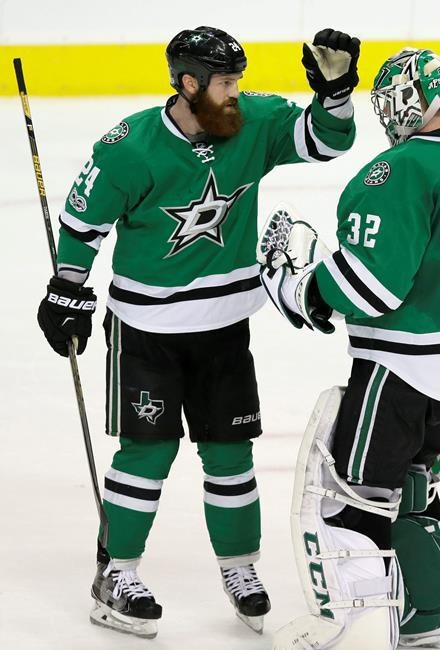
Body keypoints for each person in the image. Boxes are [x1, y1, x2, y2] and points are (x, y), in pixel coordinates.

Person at [36, 25, 360, 639]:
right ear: (188, 83)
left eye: (238, 81)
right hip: (146, 330)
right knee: (148, 452)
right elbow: (82, 223)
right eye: (224, 83)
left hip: (224, 328)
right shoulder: (130, 147)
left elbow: (325, 141)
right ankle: (117, 574)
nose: (236, 92)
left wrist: (336, 94)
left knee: (231, 452)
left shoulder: (252, 123)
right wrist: (67, 288)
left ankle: (240, 568)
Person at [259, 47, 440, 649]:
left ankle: (361, 628)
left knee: (354, 497)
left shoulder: (396, 171)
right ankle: (429, 620)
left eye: (394, 99)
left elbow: (373, 286)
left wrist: (302, 290)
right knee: (414, 490)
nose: (388, 111)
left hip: (401, 369)